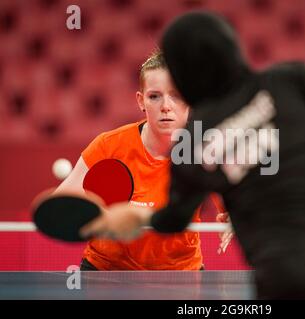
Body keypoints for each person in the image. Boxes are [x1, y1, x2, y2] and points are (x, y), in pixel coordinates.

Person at [81, 12, 305, 298]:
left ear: (182, 73)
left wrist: (131, 217)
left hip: (289, 280)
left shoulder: (193, 142)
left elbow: (172, 220)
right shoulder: (292, 80)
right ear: (232, 48)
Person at [56, 49, 230, 270]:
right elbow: (59, 207)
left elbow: (240, 206)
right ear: (141, 101)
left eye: (176, 95)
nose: (166, 106)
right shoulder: (108, 146)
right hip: (107, 273)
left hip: (180, 276)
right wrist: (95, 216)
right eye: (154, 96)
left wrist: (233, 219)